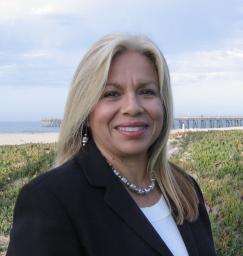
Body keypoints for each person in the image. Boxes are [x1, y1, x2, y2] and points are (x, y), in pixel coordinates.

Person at [7, 34, 216, 256]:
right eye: (111, 94)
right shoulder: (50, 201)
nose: (132, 107)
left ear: (163, 104)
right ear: (86, 111)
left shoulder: (184, 189)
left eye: (147, 91)